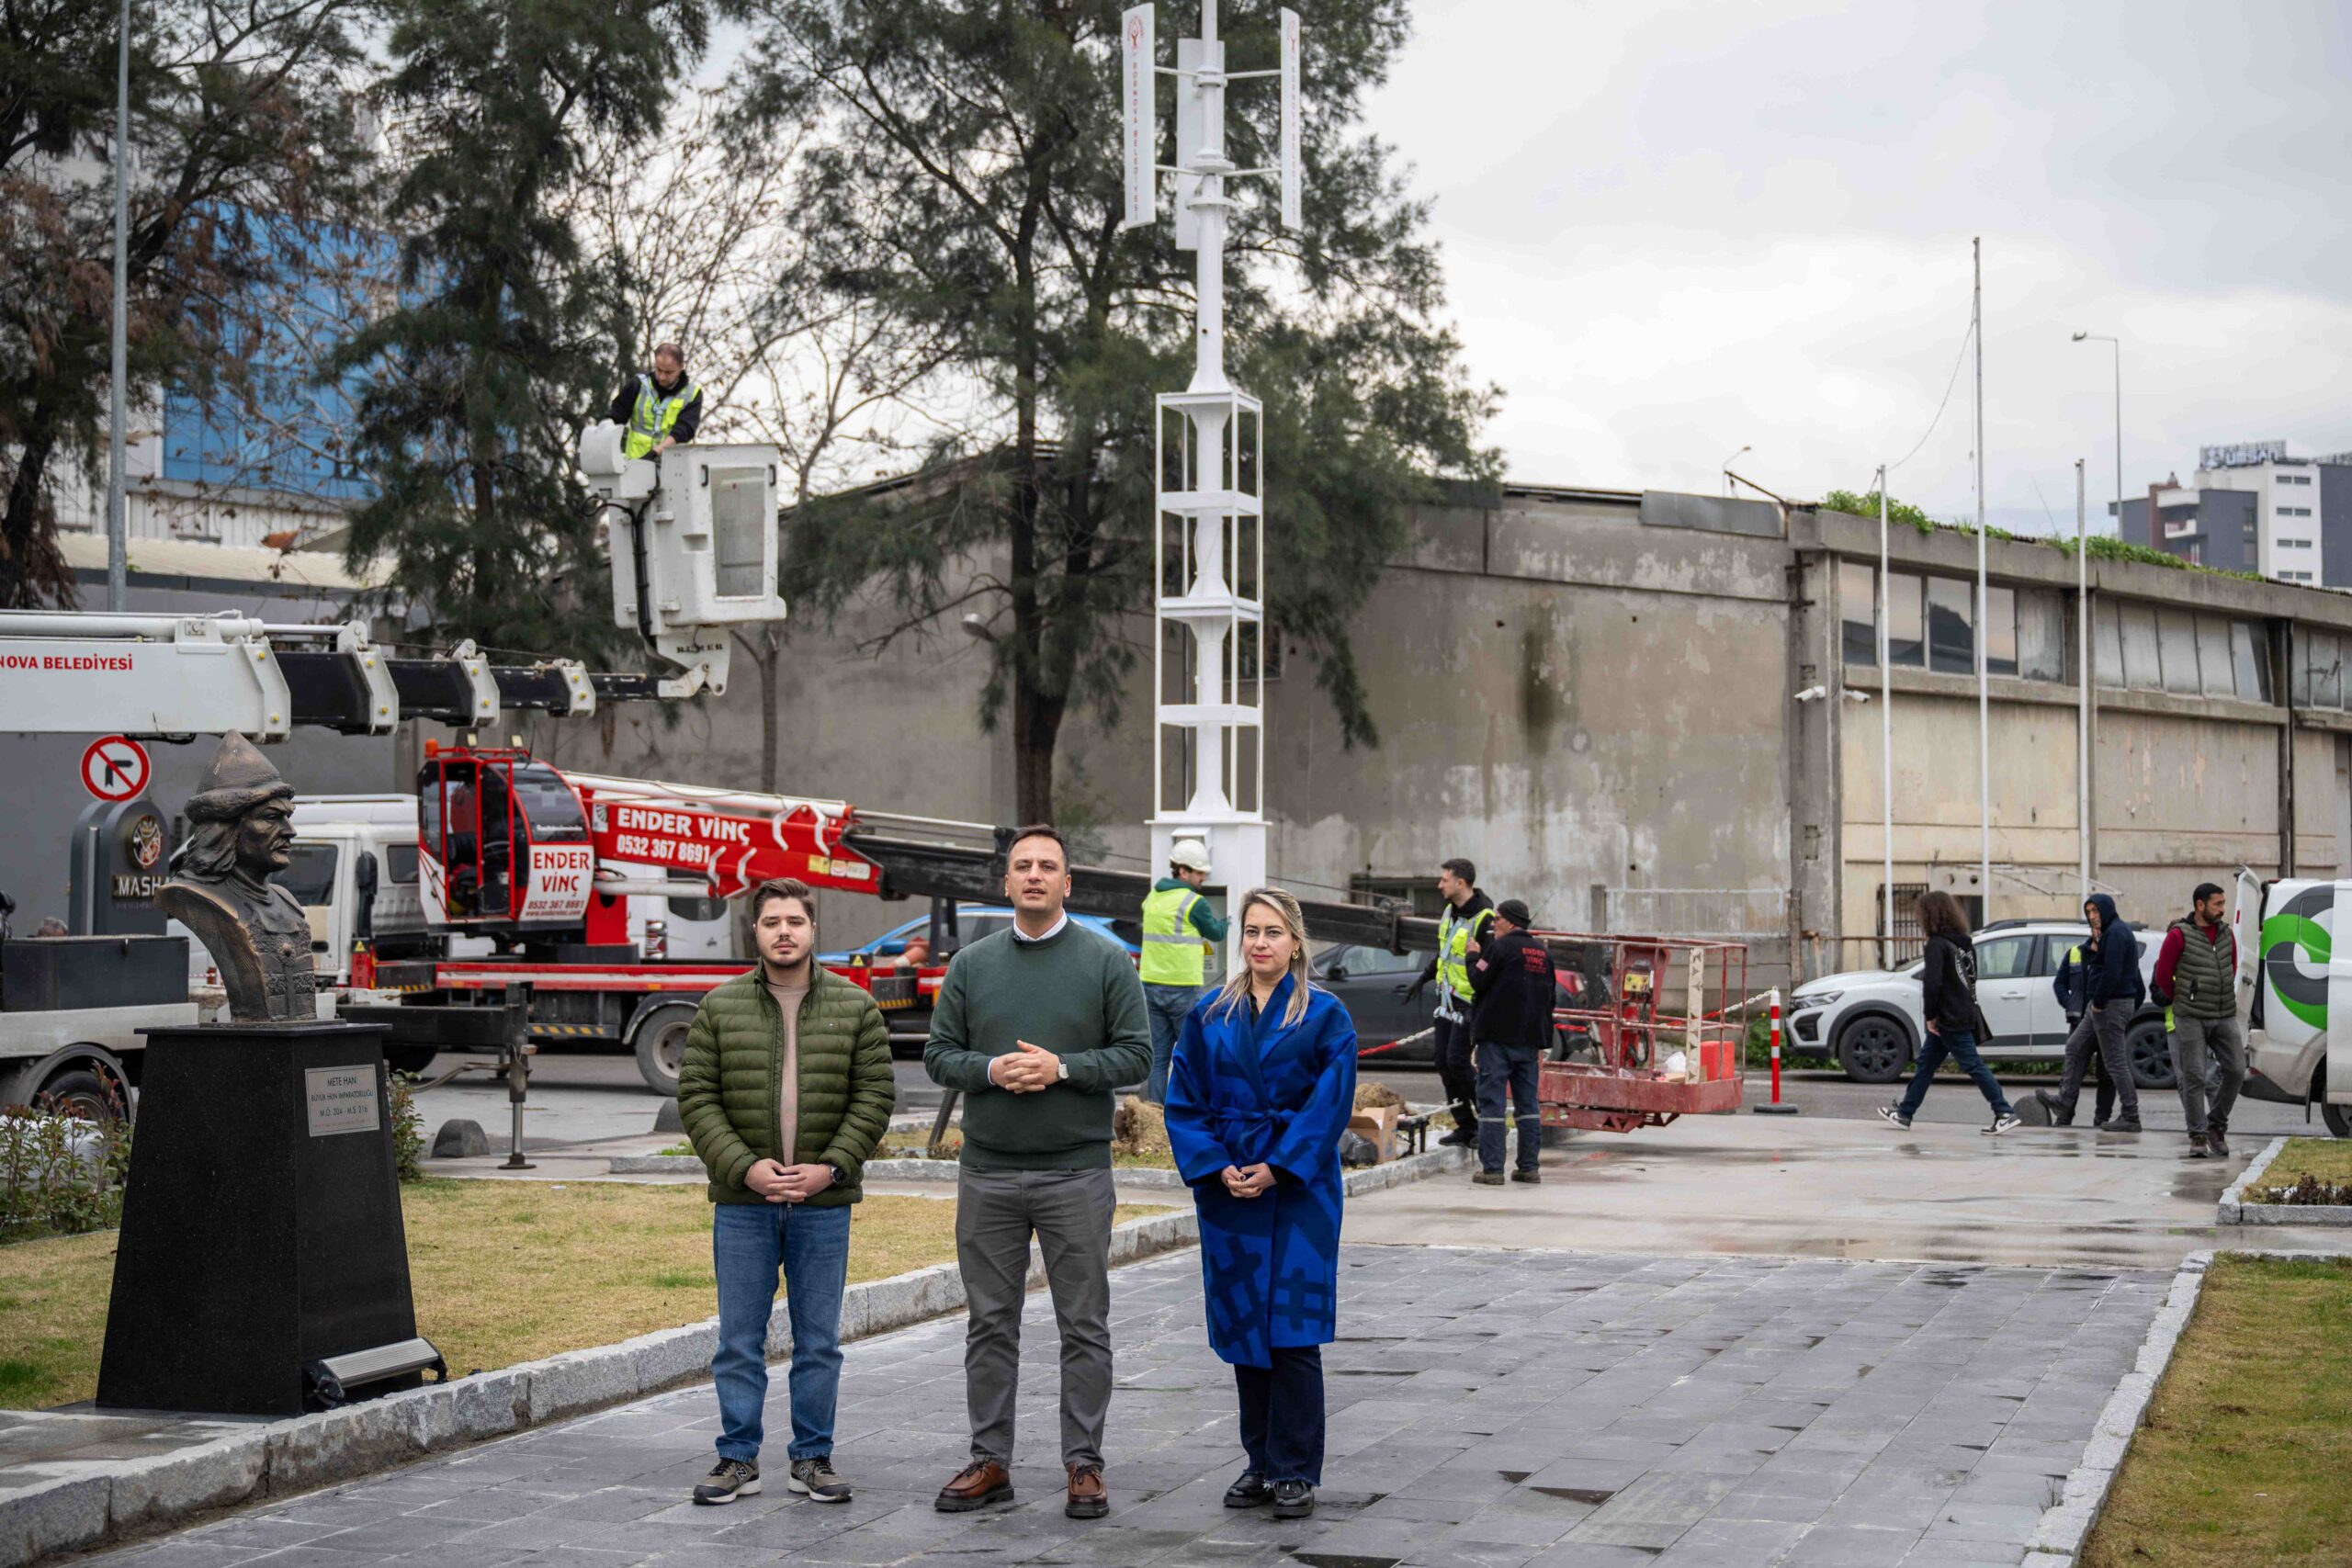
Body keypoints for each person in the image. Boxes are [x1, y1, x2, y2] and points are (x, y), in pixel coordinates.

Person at [922, 826, 1153, 1521]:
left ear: (1067, 883)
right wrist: (991, 1070)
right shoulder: (972, 964)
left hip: (1075, 1172)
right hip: (988, 1172)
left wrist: (1065, 1068)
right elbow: (938, 1055)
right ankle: (990, 1459)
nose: (1033, 875)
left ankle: (1084, 1463)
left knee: (1084, 1323)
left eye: (1047, 865)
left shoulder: (1107, 961)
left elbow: (1137, 1056)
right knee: (990, 1323)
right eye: (1022, 865)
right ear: (1005, 881)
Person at [676, 877, 895, 1506]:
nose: (784, 931)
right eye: (772, 920)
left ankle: (812, 1457)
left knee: (818, 1339)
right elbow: (696, 1096)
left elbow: (874, 1096)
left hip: (822, 1205)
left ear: (813, 929)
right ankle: (737, 1457)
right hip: (745, 1205)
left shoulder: (854, 1007)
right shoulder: (720, 1006)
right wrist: (743, 1167)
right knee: (738, 1339)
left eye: (795, 920)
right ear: (756, 931)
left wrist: (833, 1167)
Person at [1164, 886, 1356, 1522]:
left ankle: (1295, 1467)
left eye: (1273, 931)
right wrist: (1218, 1165)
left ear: (1296, 940)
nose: (1261, 942)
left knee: (1292, 1331)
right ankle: (1260, 1461)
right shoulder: (1210, 1013)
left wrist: (1278, 1167)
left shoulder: (1325, 1015)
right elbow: (1185, 1099)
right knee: (1247, 1327)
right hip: (1230, 1188)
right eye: (1251, 930)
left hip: (1298, 1189)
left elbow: (1330, 1104)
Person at [1877, 891, 2021, 1134]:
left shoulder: (1936, 945)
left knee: (1973, 1065)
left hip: (1948, 1018)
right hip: (1962, 1012)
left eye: (1921, 914)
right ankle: (1904, 1113)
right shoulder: (1964, 943)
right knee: (1926, 1064)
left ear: (1931, 915)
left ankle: (2004, 1111)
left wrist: (1931, 1016)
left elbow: (1933, 984)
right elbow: (1971, 978)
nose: (1918, 919)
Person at [1405, 859, 1495, 1148]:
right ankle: (1465, 1126)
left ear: (1461, 883)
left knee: (1458, 1062)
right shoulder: (1449, 912)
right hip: (1445, 1000)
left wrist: (1480, 1006)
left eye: (1444, 880)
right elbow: (1444, 954)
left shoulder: (1485, 919)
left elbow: (1489, 967)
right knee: (1443, 1063)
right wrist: (1423, 978)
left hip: (1468, 1003)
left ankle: (1489, 1122)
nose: (1439, 885)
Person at [2152, 882, 2245, 1159]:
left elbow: (2233, 967)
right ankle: (2198, 1136)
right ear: (2200, 905)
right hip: (2191, 1017)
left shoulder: (2227, 934)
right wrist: (2183, 1000)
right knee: (2193, 1077)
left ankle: (2216, 1124)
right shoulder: (2179, 936)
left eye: (2223, 903)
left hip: (2224, 1013)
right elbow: (2162, 976)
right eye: (2217, 904)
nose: (2222, 909)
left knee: (2237, 1069)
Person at [2036, 893, 2143, 1133]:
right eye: (2089, 912)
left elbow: (2112, 973)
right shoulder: (2112, 932)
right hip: (2098, 1006)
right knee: (2074, 1046)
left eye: (2096, 911)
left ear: (2107, 910)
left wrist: (2099, 1002)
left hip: (2108, 1005)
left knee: (2114, 1063)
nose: (2093, 917)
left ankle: (2131, 1115)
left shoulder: (2116, 933)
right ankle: (2063, 1103)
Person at [1465, 898, 1554, 1186]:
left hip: (1497, 1039)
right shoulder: (1542, 953)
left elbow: (1477, 980)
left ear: (1512, 921)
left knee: (1491, 1103)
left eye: (1498, 918)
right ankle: (1529, 1167)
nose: (1493, 924)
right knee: (1528, 1105)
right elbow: (1549, 999)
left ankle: (1492, 1169)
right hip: (1529, 1041)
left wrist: (1471, 956)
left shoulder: (1498, 948)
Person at [1140, 839, 1228, 1103]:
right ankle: (1196, 1110)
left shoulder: (1152, 897)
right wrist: (1228, 922)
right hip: (1182, 989)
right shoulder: (1194, 902)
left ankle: (1156, 1114)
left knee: (1157, 1059)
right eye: (1199, 872)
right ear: (1183, 872)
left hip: (1151, 986)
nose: (1203, 877)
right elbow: (1214, 932)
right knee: (1196, 1053)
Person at [2048, 936, 2116, 1127]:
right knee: (2072, 1072)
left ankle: (2102, 1120)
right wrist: (2070, 1003)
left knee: (2107, 1075)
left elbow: (2135, 989)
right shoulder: (2075, 953)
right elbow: (2059, 984)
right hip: (2080, 1023)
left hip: (2107, 1024)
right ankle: (2064, 1117)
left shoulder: (2115, 953)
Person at [608, 341, 703, 460]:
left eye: (668, 372)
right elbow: (616, 416)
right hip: (636, 463)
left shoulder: (692, 394)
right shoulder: (638, 385)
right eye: (659, 370)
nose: (662, 377)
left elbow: (683, 431)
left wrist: (656, 452)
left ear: (681, 367)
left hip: (674, 466)